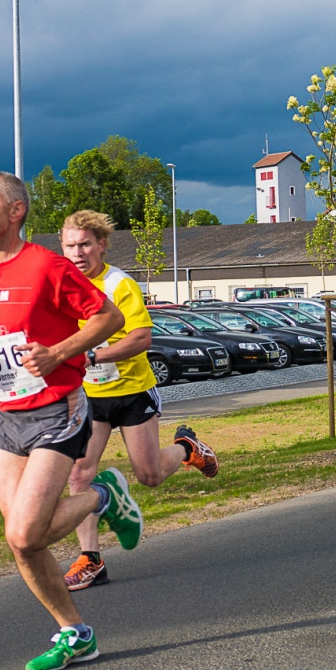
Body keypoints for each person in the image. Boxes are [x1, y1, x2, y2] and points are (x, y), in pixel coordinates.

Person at [0, 171, 140, 670]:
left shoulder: (47, 266)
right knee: (22, 538)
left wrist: (59, 352)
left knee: (25, 536)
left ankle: (104, 494)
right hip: (6, 416)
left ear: (15, 211)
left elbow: (108, 318)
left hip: (57, 411)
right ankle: (76, 633)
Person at [59, 211, 219, 592]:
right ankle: (91, 559)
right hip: (89, 396)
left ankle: (186, 447)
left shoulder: (118, 284)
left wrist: (93, 356)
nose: (78, 253)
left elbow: (142, 339)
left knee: (149, 476)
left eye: (85, 244)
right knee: (80, 473)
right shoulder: (61, 285)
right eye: (70, 246)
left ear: (101, 244)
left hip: (131, 391)